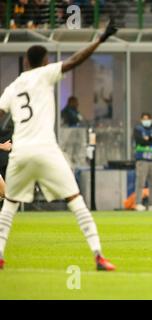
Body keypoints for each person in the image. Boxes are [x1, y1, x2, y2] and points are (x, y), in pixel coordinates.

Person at [0, 20, 118, 271]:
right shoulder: (45, 74)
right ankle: (98, 255)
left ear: (24, 63)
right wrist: (99, 39)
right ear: (45, 61)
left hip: (19, 153)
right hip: (45, 150)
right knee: (76, 200)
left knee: (9, 205)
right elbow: (75, 60)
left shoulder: (12, 88)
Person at [134, 112, 152, 212]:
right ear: (141, 119)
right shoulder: (138, 129)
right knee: (140, 183)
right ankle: (138, 203)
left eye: (148, 118)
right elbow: (140, 141)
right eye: (144, 119)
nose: (146, 121)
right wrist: (151, 140)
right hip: (142, 159)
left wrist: (149, 139)